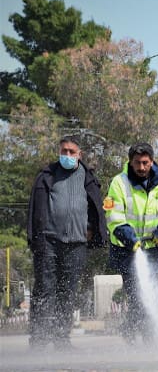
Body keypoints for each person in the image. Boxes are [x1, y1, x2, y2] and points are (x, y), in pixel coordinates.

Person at [26, 136, 108, 350]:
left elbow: (95, 207)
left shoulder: (87, 178)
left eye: (72, 152)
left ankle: (62, 338)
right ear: (59, 152)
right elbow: (36, 209)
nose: (68, 156)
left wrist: (92, 228)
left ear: (79, 155)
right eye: (64, 151)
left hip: (77, 244)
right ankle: (39, 339)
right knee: (44, 289)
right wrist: (38, 237)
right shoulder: (47, 175)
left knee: (68, 291)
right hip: (49, 241)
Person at [106, 143, 158, 343]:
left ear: (152, 160)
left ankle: (142, 334)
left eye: (145, 163)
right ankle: (140, 333)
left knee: (156, 291)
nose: (141, 168)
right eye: (137, 163)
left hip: (157, 249)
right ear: (130, 162)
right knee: (137, 295)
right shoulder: (118, 183)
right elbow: (113, 216)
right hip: (128, 251)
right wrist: (130, 239)